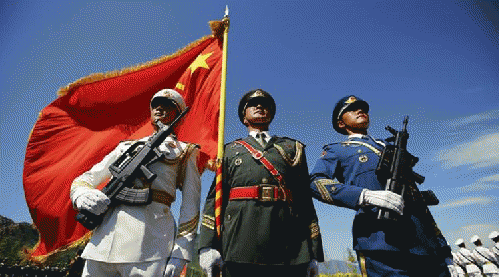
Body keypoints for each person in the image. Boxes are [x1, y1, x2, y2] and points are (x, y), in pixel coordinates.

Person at [309, 95, 455, 276]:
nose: (360, 110)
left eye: (363, 108)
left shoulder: (389, 146)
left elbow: (418, 200)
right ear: (341, 123)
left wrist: (443, 248)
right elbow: (316, 183)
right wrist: (364, 195)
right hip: (381, 240)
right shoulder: (338, 150)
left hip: (424, 242)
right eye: (351, 109)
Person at [70, 89, 201, 277]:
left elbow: (190, 206)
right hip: (105, 241)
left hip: (150, 244)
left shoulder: (185, 151)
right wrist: (81, 195)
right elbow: (85, 178)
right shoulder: (126, 147)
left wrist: (181, 253)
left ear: (179, 117)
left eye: (168, 106)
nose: (160, 109)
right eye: (156, 105)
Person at [198, 89, 324, 277]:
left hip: (290, 245)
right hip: (239, 243)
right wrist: (206, 246)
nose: (259, 106)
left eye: (265, 105)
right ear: (244, 116)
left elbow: (305, 201)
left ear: (271, 114)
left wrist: (314, 252)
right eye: (253, 104)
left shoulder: (292, 148)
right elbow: (214, 200)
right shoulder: (229, 151)